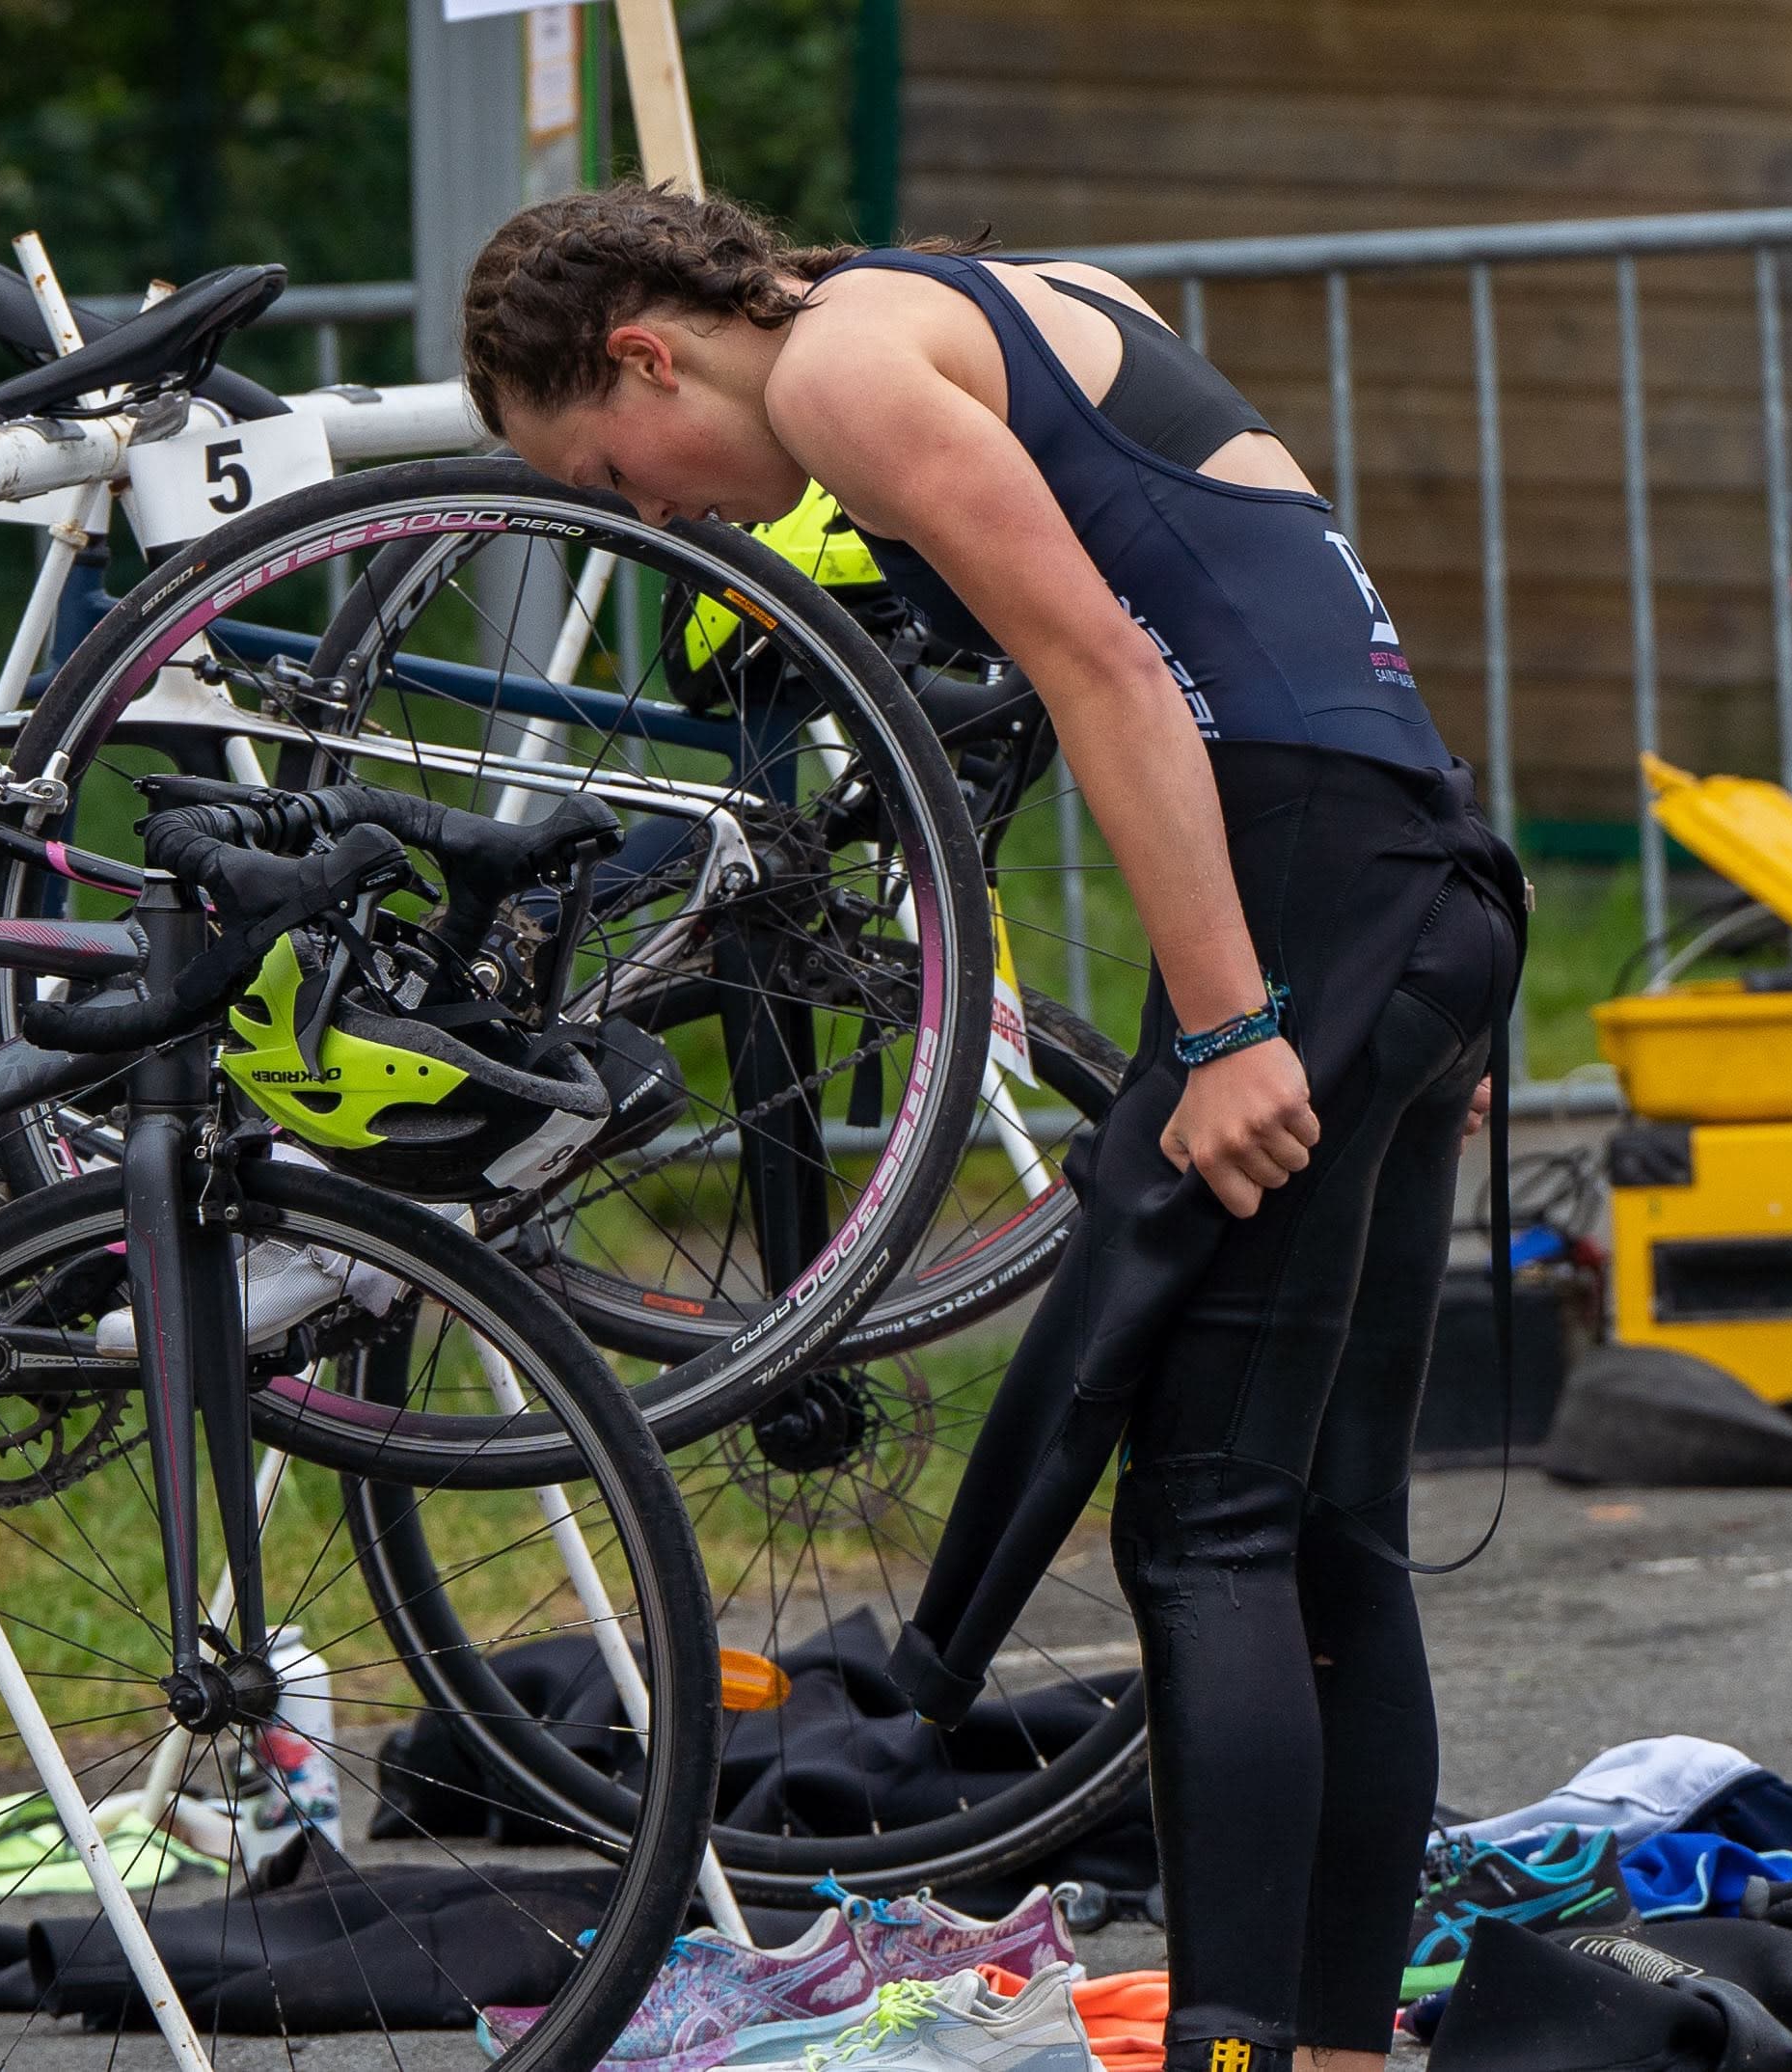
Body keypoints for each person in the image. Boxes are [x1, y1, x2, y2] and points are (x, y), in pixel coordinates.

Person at [461, 185, 1527, 2072]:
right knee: (1326, 1528)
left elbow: (1111, 668)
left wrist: (1235, 1025)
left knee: (1208, 1524)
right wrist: (1407, 975)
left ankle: (1240, 2055)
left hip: (1309, 895)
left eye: (612, 470)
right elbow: (1279, 606)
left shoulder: (850, 376)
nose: (652, 517)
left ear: (644, 352)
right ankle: (1332, 2052)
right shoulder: (980, 301)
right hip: (1408, 864)